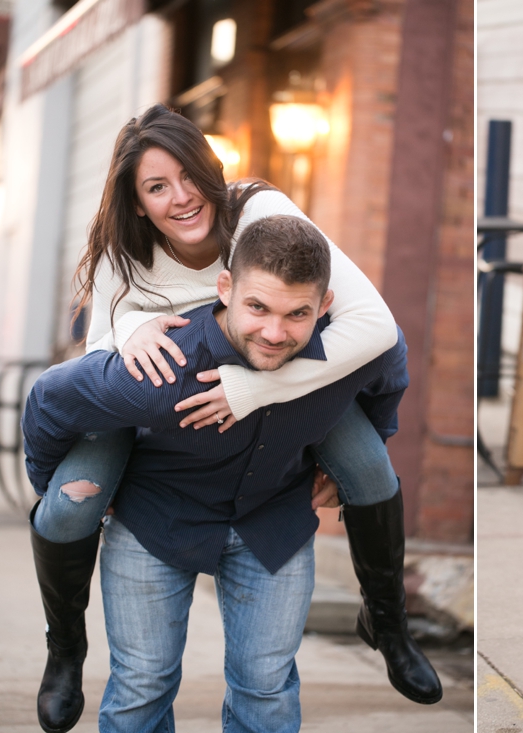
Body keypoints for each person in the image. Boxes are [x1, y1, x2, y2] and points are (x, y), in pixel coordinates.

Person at [27, 105, 438, 733]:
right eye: (156, 187)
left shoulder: (259, 213)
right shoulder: (124, 249)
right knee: (74, 498)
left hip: (279, 388)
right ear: (136, 202)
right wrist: (134, 325)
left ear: (210, 169)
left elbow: (377, 331)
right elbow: (100, 362)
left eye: (188, 174)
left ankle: (386, 622)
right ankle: (65, 650)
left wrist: (251, 392)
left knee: (368, 466)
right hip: (157, 413)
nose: (181, 197)